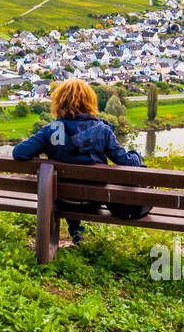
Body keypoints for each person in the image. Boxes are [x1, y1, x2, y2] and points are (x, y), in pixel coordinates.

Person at [11, 79, 148, 245]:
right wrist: (137, 156)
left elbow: (19, 152)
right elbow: (126, 162)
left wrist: (43, 157)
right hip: (95, 198)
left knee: (65, 186)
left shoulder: (51, 130)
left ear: (59, 102)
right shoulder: (102, 130)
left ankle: (76, 230)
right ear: (89, 101)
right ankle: (78, 232)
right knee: (85, 184)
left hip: (61, 198)